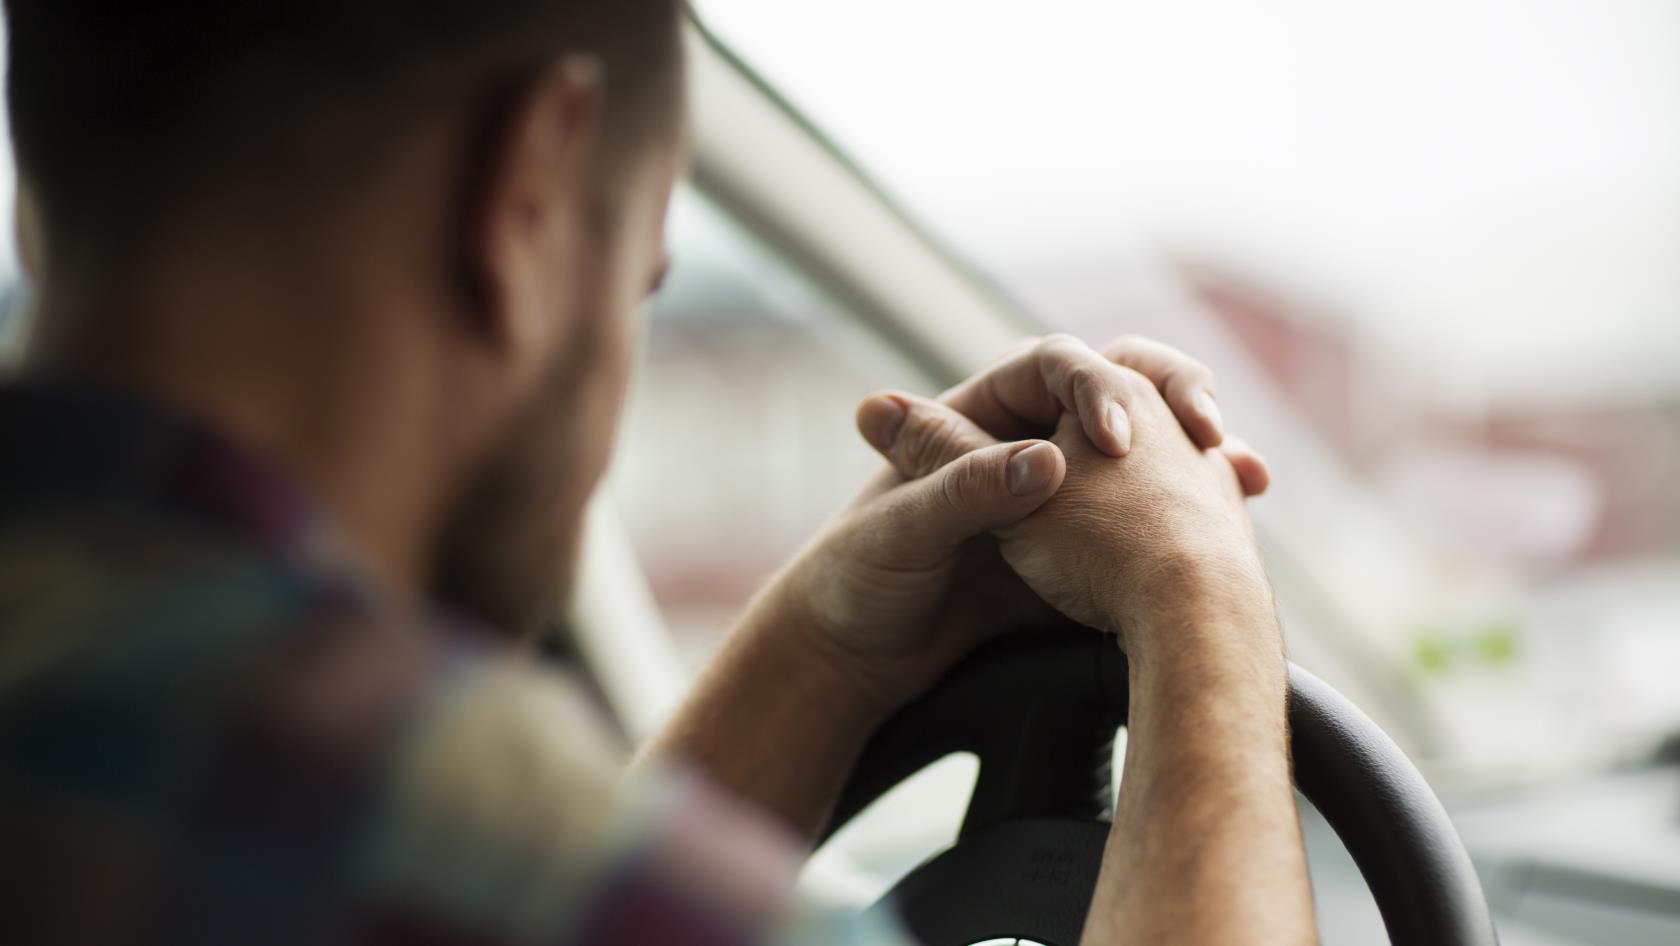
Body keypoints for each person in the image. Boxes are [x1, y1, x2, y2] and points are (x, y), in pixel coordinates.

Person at [0, 2, 1316, 944]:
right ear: (527, 186)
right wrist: (1200, 598)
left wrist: (825, 651)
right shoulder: (419, 830)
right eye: (638, 289)